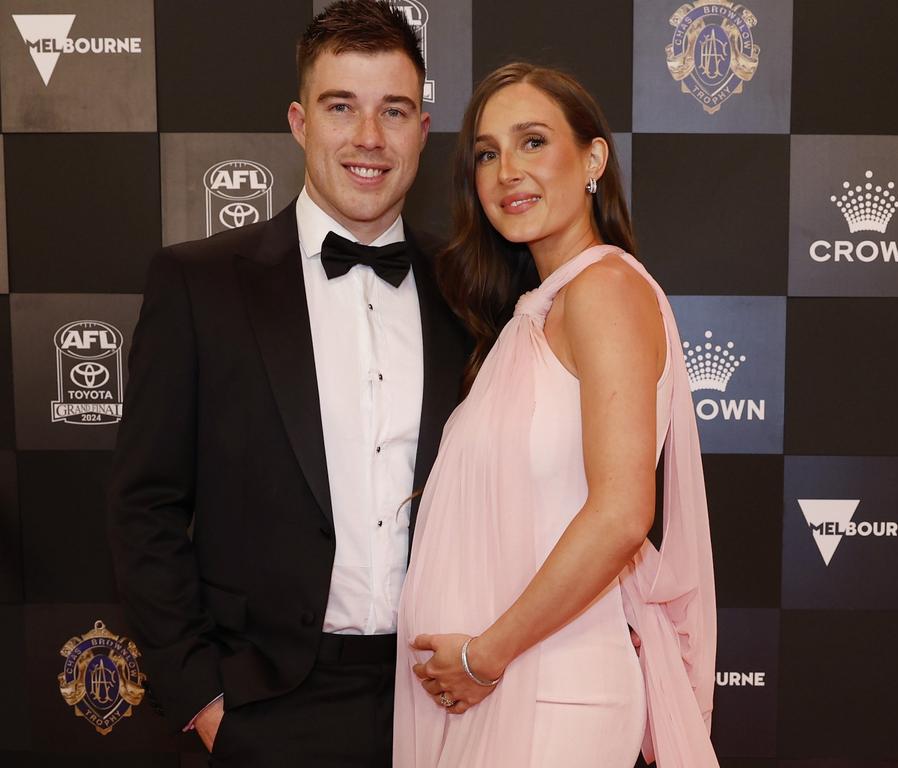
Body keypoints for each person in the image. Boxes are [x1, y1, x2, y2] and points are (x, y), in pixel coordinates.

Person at [107, 2, 471, 765]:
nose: (369, 139)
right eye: (342, 107)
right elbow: (145, 505)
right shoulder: (197, 284)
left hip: (443, 703)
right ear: (301, 122)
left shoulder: (470, 294)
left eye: (393, 111)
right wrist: (202, 698)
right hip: (266, 708)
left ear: (424, 129)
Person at [394, 63, 719, 767]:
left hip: (550, 695)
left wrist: (485, 655)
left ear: (593, 158)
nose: (507, 170)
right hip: (495, 689)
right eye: (487, 153)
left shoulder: (603, 289)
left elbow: (622, 513)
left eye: (533, 142)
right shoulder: (531, 313)